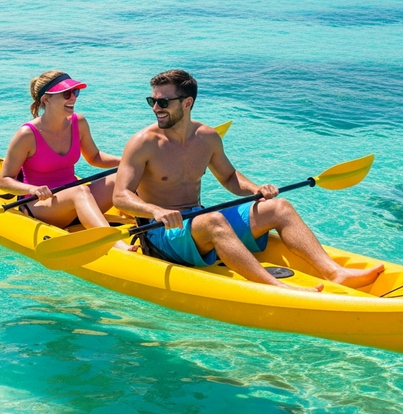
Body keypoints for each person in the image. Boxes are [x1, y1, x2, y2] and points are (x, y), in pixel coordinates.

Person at [112, 69, 384, 292]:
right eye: (152, 102)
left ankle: (335, 272)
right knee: (215, 220)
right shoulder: (143, 143)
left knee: (280, 207)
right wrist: (156, 211)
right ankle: (273, 286)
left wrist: (256, 188)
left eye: (163, 102)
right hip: (161, 235)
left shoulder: (207, 138)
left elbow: (229, 177)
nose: (156, 108)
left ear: (187, 103)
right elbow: (121, 196)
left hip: (197, 220)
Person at [0, 71, 133, 249]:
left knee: (127, 174)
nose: (73, 98)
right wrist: (32, 188)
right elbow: (4, 180)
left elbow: (94, 157)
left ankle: (151, 228)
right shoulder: (27, 134)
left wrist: (128, 161)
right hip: (42, 206)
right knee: (79, 192)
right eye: (66, 94)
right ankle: (114, 243)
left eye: (75, 92)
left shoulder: (79, 122)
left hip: (75, 201)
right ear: (46, 99)